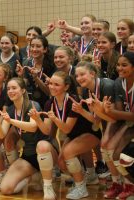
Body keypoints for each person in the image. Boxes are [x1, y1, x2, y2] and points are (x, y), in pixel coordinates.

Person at [0, 77, 57, 200]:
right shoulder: (10, 110)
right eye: (8, 88)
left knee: (41, 146)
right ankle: (35, 176)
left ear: (23, 90)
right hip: (29, 154)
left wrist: (11, 121)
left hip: (47, 149)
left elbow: (32, 127)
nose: (10, 91)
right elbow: (1, 135)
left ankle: (48, 186)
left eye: (14, 88)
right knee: (6, 189)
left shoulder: (33, 105)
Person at [46, 71, 102, 199]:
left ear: (66, 87)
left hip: (90, 133)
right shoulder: (50, 103)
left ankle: (81, 188)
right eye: (50, 83)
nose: (52, 87)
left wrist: (54, 119)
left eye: (56, 84)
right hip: (74, 136)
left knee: (69, 153)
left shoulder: (73, 100)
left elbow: (66, 129)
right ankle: (87, 177)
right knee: (61, 163)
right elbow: (50, 130)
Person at [100, 52, 134, 199]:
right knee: (108, 148)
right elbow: (120, 112)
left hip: (131, 122)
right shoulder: (119, 82)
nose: (120, 68)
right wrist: (105, 110)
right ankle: (118, 184)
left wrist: (110, 111)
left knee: (120, 155)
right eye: (118, 65)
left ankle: (130, 185)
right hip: (128, 123)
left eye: (124, 65)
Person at [75, 61, 115, 180]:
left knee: (108, 145)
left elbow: (114, 116)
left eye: (82, 74)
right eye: (77, 76)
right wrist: (81, 111)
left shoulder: (107, 86)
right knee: (105, 145)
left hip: (121, 120)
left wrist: (98, 110)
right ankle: (115, 178)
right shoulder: (85, 90)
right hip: (109, 121)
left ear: (92, 74)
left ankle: (121, 179)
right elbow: (96, 119)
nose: (79, 78)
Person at [16, 35, 55, 107]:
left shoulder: (52, 65)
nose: (34, 49)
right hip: (32, 102)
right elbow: (24, 85)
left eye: (38, 46)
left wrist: (36, 78)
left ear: (45, 49)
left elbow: (49, 92)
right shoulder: (27, 63)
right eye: (32, 46)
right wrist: (20, 75)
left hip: (49, 103)